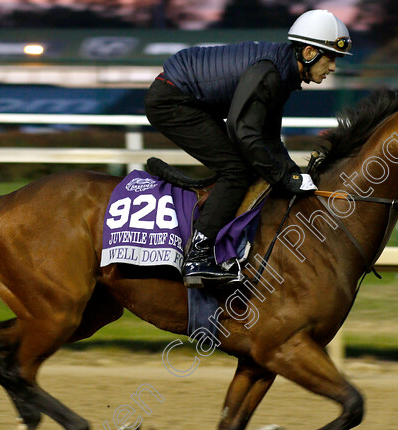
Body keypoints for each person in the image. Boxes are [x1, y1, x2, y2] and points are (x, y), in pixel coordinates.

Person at [144, 9, 353, 287]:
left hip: (189, 97)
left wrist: (294, 176)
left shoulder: (281, 74)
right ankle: (198, 256)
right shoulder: (270, 74)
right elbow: (243, 133)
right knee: (236, 170)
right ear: (308, 52)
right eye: (330, 58)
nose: (333, 67)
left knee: (252, 166)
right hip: (173, 100)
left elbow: (268, 139)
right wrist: (285, 178)